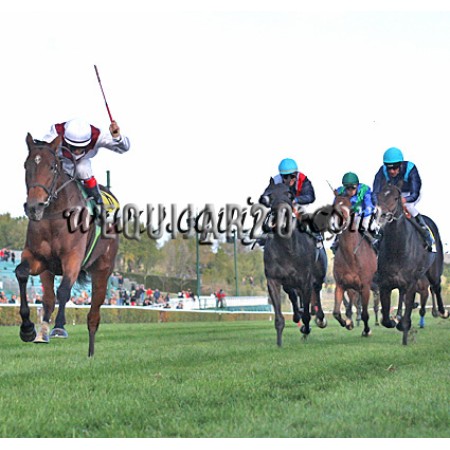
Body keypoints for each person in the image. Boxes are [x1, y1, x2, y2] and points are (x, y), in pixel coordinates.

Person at [42, 118, 130, 209]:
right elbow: (41, 149)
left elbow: (124, 148)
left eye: (81, 148)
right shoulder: (56, 132)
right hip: (60, 163)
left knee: (83, 168)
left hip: (82, 164)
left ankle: (98, 202)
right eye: (73, 147)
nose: (76, 152)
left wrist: (117, 137)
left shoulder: (98, 136)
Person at [372, 147, 434, 250]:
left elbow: (415, 193)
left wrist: (405, 200)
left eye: (395, 168)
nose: (392, 171)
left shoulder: (410, 168)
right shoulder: (382, 171)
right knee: (384, 211)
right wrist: (379, 205)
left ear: (401, 164)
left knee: (408, 207)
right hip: (392, 195)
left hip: (410, 194)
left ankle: (426, 233)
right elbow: (375, 192)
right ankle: (379, 237)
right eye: (389, 168)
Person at [331, 172, 378, 253]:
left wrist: (359, 213)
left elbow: (369, 207)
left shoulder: (365, 190)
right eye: (348, 188)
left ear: (357, 185)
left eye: (353, 188)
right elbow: (335, 207)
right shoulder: (340, 191)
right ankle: (337, 242)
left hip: (364, 213)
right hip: (349, 215)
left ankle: (374, 242)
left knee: (364, 224)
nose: (350, 191)